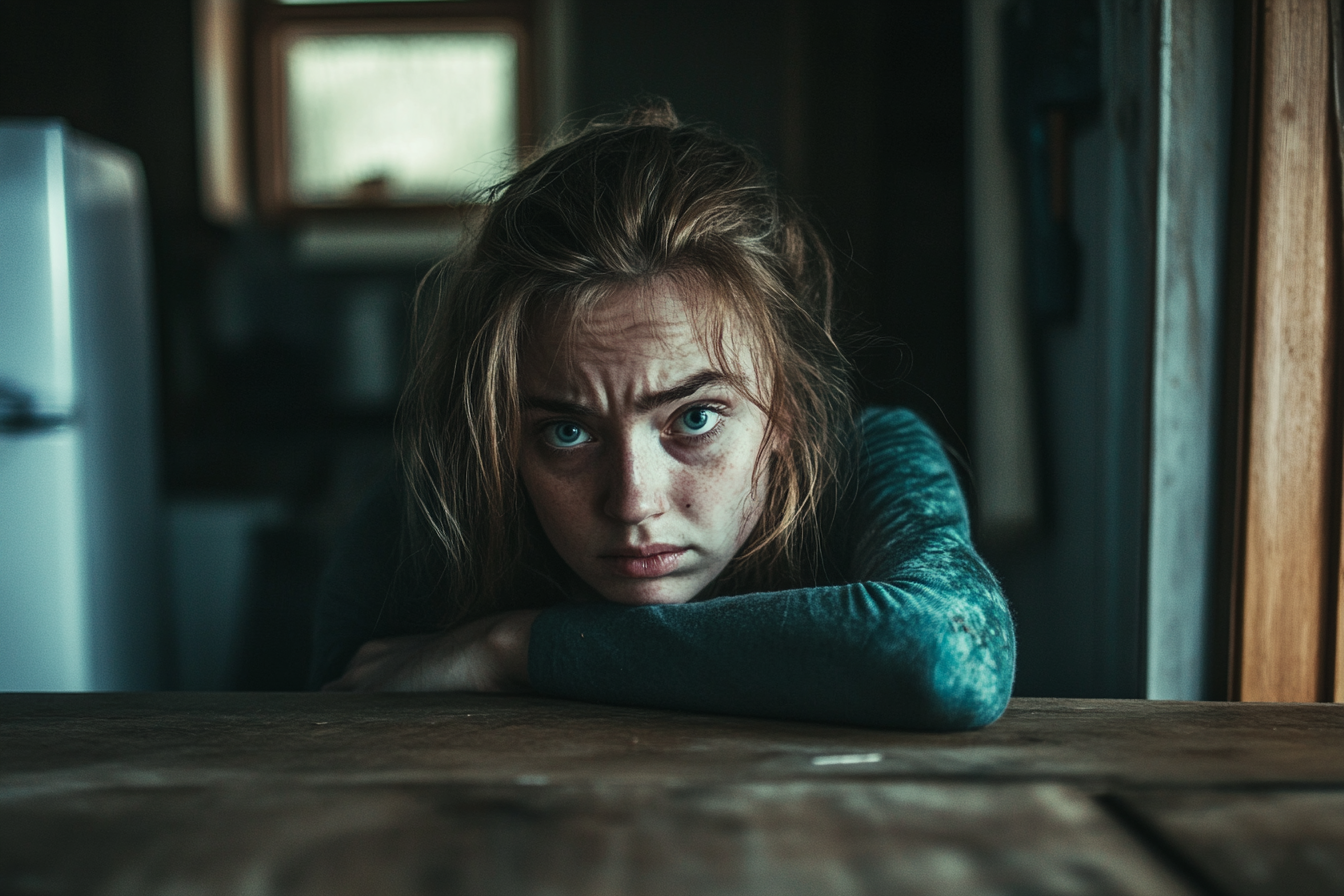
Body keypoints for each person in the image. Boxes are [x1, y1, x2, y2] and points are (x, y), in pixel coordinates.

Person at [312, 101, 1015, 730]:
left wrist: (513, 646)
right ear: (501, 433)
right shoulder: (428, 513)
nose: (633, 502)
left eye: (695, 420)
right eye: (567, 432)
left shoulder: (872, 459)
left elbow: (945, 654)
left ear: (789, 411)